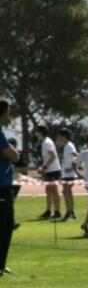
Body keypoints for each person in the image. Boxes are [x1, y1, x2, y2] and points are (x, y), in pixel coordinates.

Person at [1, 99, 20, 276]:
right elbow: (14, 156)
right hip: (2, 186)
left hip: (4, 185)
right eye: (8, 112)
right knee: (6, 225)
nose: (10, 116)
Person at [35, 126, 62, 220]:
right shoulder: (45, 142)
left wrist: (44, 167)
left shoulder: (47, 142)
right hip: (50, 170)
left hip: (54, 170)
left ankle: (57, 211)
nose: (35, 134)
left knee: (54, 190)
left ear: (40, 132)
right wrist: (43, 167)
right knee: (48, 190)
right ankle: (48, 211)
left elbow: (53, 156)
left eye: (37, 132)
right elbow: (47, 158)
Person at [57, 129, 78, 222]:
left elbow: (77, 156)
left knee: (67, 191)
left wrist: (72, 168)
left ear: (63, 136)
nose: (58, 138)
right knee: (65, 192)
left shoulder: (69, 146)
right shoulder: (66, 146)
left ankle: (70, 212)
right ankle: (70, 211)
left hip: (69, 174)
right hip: (65, 174)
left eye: (59, 136)